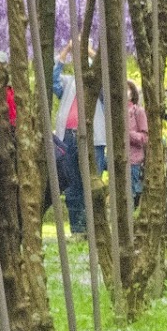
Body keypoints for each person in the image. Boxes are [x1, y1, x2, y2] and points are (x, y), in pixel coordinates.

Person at [53, 45, 106, 234]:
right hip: (68, 137)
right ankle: (77, 228)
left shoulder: (99, 86)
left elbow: (110, 79)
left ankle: (93, 228)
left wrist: (91, 51)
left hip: (93, 138)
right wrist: (65, 51)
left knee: (91, 182)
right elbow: (52, 81)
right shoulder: (69, 83)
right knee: (71, 183)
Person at [127, 80, 148, 207]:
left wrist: (129, 134)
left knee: (131, 193)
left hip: (133, 160)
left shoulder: (138, 111)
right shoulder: (115, 112)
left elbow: (144, 137)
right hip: (118, 159)